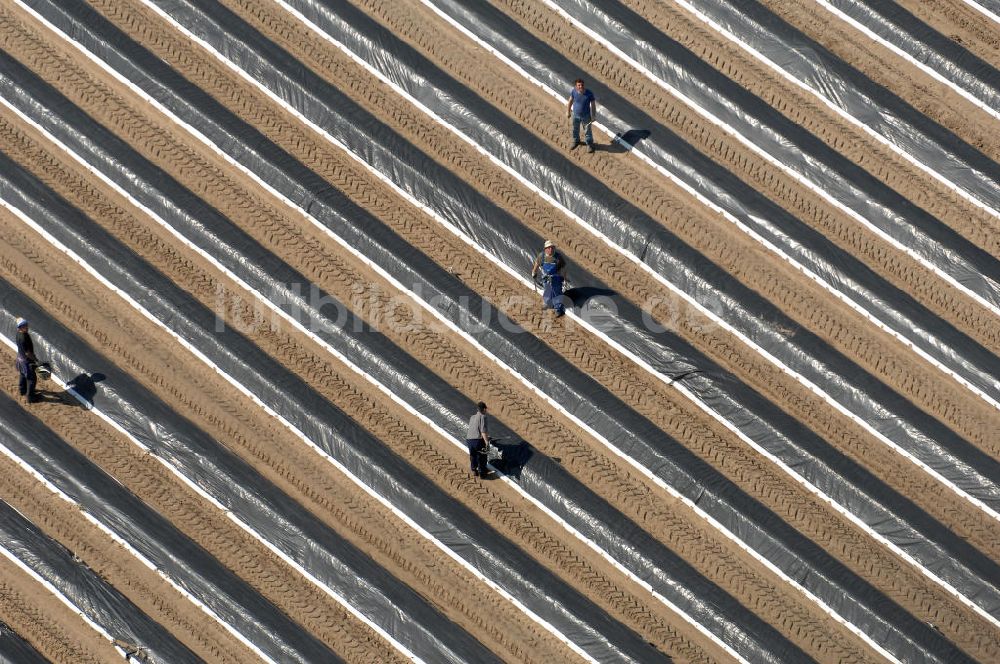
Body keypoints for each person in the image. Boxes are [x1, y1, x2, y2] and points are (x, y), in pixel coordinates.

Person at [531, 240, 567, 316]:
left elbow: (563, 268)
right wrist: (534, 272)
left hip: (556, 278)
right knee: (547, 291)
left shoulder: (558, 257)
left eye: (552, 248)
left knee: (557, 293)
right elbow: (537, 263)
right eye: (549, 248)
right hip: (546, 277)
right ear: (545, 249)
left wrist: (564, 279)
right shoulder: (542, 256)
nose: (551, 249)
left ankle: (558, 309)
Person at [566, 78, 597, 153]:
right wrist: (568, 111)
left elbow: (593, 105)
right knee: (575, 129)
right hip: (575, 115)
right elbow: (570, 101)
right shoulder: (574, 91)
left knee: (587, 131)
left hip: (586, 116)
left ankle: (589, 144)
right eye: (579, 85)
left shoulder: (589, 93)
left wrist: (593, 115)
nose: (581, 86)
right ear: (576, 86)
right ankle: (576, 141)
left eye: (582, 85)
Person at [15, 318, 39, 403]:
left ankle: (22, 390)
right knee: (32, 379)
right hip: (26, 361)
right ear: (20, 327)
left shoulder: (18, 334)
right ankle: (30, 397)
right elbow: (28, 353)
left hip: (19, 358)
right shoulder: (24, 338)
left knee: (22, 374)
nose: (27, 327)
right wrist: (35, 360)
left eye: (26, 324)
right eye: (25, 325)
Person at [465, 401, 491, 478]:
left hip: (469, 440)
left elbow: (474, 429)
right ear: (484, 409)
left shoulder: (472, 417)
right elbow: (483, 431)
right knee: (482, 455)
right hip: (477, 441)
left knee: (473, 455)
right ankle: (482, 472)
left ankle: (474, 469)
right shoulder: (483, 417)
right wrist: (487, 442)